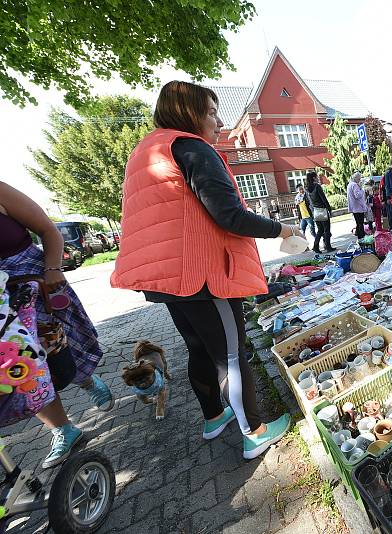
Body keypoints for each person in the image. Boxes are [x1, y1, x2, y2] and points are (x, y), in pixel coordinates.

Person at [112, 81, 303, 460]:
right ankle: (255, 431)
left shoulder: (148, 151)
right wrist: (281, 228)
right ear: (190, 113)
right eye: (212, 112)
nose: (219, 122)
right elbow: (229, 215)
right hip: (201, 275)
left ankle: (214, 416)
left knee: (199, 347)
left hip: (167, 276)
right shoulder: (192, 149)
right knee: (231, 353)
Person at [0, 181, 114, 469]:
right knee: (19, 368)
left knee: (58, 351)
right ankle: (64, 429)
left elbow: (49, 230)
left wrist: (52, 270)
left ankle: (85, 379)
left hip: (34, 285)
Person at [306, 170, 335, 253]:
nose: (317, 178)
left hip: (315, 211)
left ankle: (316, 246)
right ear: (314, 177)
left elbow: (309, 202)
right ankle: (328, 247)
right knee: (326, 229)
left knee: (320, 230)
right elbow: (323, 198)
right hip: (322, 209)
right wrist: (329, 209)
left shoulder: (307, 188)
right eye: (316, 177)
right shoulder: (317, 186)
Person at [347, 172, 368, 239]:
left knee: (358, 223)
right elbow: (357, 195)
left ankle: (359, 237)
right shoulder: (355, 185)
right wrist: (362, 189)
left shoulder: (349, 185)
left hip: (354, 207)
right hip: (358, 207)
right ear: (356, 178)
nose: (359, 180)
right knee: (360, 224)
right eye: (359, 179)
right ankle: (362, 237)